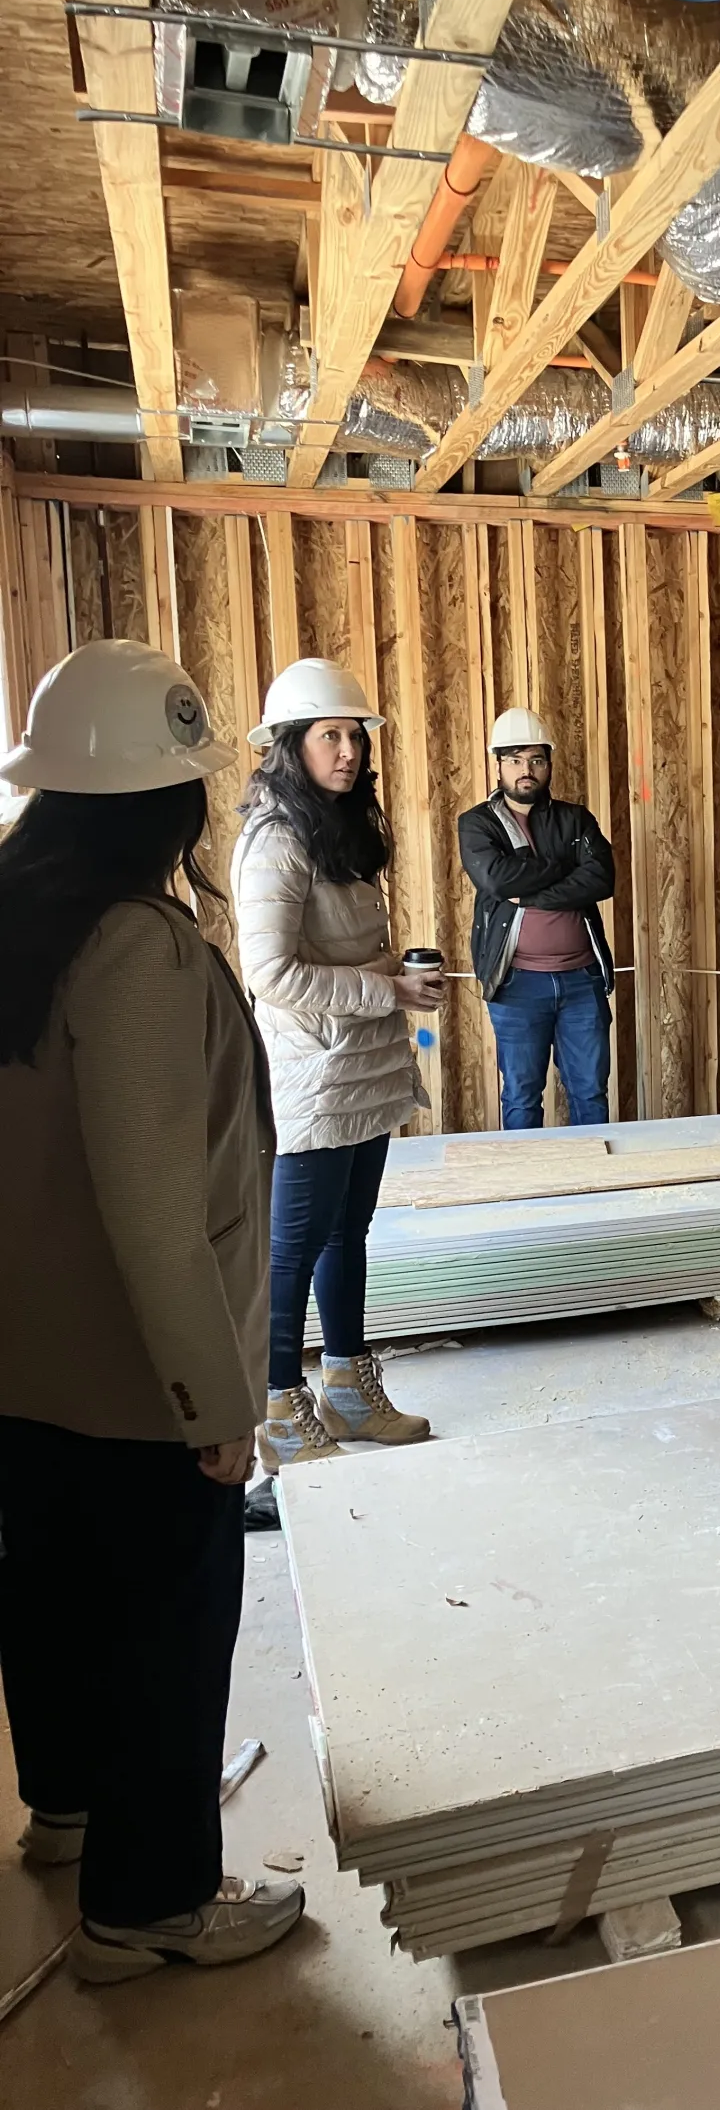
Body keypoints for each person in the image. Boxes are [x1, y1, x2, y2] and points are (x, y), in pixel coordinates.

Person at [0, 641, 305, 1981]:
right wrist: (216, 1405)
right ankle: (152, 1903)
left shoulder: (22, 921)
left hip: (27, 1361)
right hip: (136, 1380)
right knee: (166, 1641)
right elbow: (154, 1216)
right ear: (165, 805)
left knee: (52, 1602)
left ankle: (63, 1816)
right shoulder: (134, 952)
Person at [232, 659, 437, 1470]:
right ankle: (280, 1407)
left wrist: (401, 976)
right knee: (294, 1244)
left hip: (363, 1067)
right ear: (291, 744)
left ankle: (347, 1388)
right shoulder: (276, 839)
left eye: (355, 735)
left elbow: (343, 949)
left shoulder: (338, 829)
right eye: (330, 735)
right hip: (315, 1074)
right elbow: (270, 974)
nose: (348, 750)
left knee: (347, 1231)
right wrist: (386, 986)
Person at [457, 707, 616, 1129]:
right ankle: (526, 1192)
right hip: (517, 984)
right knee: (522, 1096)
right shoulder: (478, 823)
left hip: (582, 981)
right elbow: (496, 878)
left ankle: (595, 1188)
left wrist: (526, 894)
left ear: (548, 765)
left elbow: (601, 878)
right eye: (514, 760)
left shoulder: (575, 819)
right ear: (498, 765)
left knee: (590, 1091)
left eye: (536, 760)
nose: (525, 770)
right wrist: (565, 865)